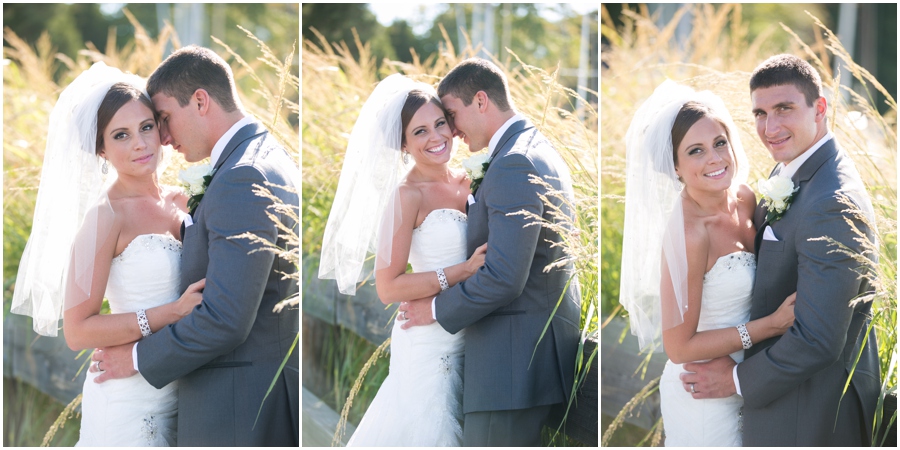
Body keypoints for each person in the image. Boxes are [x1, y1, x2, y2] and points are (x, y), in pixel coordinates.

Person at [90, 46, 300, 446]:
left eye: (162, 120)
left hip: (236, 409)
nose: (162, 139)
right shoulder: (268, 155)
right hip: (238, 396)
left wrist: (134, 357)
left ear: (200, 100)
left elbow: (225, 319)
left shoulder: (241, 176)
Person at [680, 54, 880, 446]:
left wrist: (734, 378)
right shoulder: (792, 168)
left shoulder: (833, 201)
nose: (769, 128)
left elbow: (818, 338)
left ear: (819, 108)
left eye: (784, 109)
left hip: (808, 415)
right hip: (781, 405)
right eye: (759, 113)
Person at [11, 62, 206, 446]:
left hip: (186, 389)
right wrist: (171, 312)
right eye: (121, 135)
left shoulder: (186, 197)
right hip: (127, 401)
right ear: (101, 147)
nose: (140, 143)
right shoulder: (105, 217)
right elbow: (78, 329)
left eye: (146, 127)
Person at [398, 57, 582, 447]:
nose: (450, 129)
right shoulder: (531, 147)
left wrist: (432, 310)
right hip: (520, 357)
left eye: (451, 114)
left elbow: (503, 276)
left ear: (480, 100)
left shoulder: (513, 162)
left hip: (512, 366)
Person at [619, 80, 798, 446]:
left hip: (747, 379)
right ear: (676, 168)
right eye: (696, 151)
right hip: (699, 391)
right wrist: (770, 326)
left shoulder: (746, 198)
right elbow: (679, 347)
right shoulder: (689, 234)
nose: (715, 158)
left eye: (719, 143)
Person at [318, 73, 486, 446]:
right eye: (420, 132)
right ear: (404, 145)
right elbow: (388, 286)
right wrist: (461, 271)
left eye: (440, 123)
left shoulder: (473, 178)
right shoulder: (407, 196)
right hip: (428, 343)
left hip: (475, 334)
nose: (436, 137)